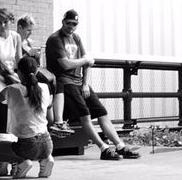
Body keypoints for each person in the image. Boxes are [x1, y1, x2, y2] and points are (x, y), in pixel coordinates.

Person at [45, 9, 140, 160]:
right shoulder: (55, 39)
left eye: (74, 24)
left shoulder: (76, 38)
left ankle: (120, 146)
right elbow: (66, 64)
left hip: (80, 82)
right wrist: (86, 60)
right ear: (63, 22)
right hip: (65, 83)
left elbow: (87, 63)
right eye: (68, 23)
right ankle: (104, 148)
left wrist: (85, 84)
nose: (71, 26)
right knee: (85, 116)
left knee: (102, 113)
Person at [0, 55, 55, 179]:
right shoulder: (45, 87)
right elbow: (49, 106)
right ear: (36, 71)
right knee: (28, 145)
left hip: (27, 145)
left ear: (19, 72)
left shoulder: (13, 90)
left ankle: (21, 161)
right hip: (47, 143)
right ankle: (46, 159)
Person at [17, 13, 71, 135]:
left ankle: (57, 120)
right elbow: (20, 61)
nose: (30, 33)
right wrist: (29, 55)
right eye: (28, 30)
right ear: (20, 28)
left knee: (55, 80)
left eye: (31, 30)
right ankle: (52, 121)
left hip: (34, 69)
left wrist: (37, 55)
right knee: (46, 79)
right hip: (24, 71)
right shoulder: (16, 40)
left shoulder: (28, 42)